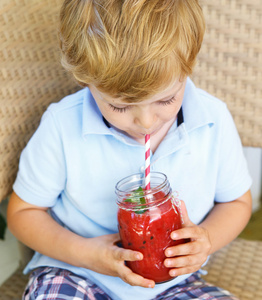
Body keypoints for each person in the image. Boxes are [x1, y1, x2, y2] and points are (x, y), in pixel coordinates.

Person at [7, 1, 252, 299]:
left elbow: (237, 202)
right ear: (85, 79)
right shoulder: (62, 125)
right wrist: (87, 254)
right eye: (119, 106)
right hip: (78, 272)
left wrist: (207, 240)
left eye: (165, 100)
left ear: (188, 66)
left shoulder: (212, 120)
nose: (146, 122)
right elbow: (24, 212)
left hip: (175, 282)